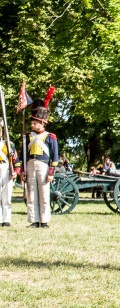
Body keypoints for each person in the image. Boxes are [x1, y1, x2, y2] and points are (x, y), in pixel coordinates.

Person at [21, 95, 59, 228]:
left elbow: (54, 157)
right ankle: (34, 220)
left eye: (34, 123)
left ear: (42, 123)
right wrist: (22, 171)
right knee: (31, 194)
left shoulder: (50, 137)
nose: (32, 125)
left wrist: (51, 172)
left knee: (44, 194)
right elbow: (23, 155)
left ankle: (44, 221)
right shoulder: (27, 137)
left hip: (43, 166)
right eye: (31, 123)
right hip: (30, 165)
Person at [0, 119, 21, 227]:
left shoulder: (9, 144)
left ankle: (6, 219)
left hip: (6, 168)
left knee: (7, 196)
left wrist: (16, 172)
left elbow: (15, 160)